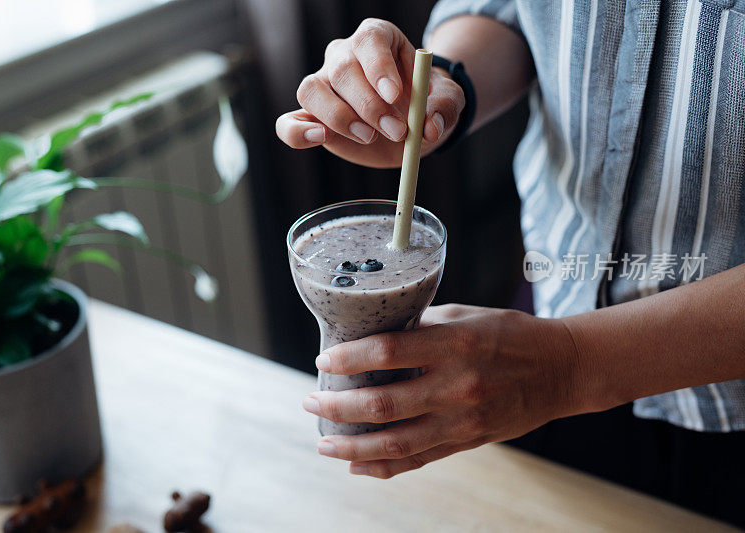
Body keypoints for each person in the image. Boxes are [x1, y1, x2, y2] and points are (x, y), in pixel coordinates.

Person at [275, 1, 745, 526]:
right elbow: (515, 12)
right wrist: (433, 96)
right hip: (553, 319)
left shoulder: (546, 369)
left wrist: (570, 367)